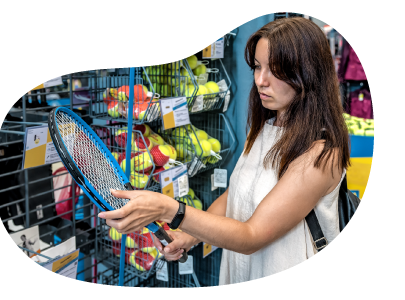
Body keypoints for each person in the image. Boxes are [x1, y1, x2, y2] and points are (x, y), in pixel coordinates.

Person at [98, 16, 350, 288]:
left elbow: (252, 235)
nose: (260, 80)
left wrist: (169, 208)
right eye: (256, 67)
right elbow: (235, 197)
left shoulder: (322, 153)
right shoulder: (266, 127)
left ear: (308, 72)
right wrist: (188, 236)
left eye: (274, 70)